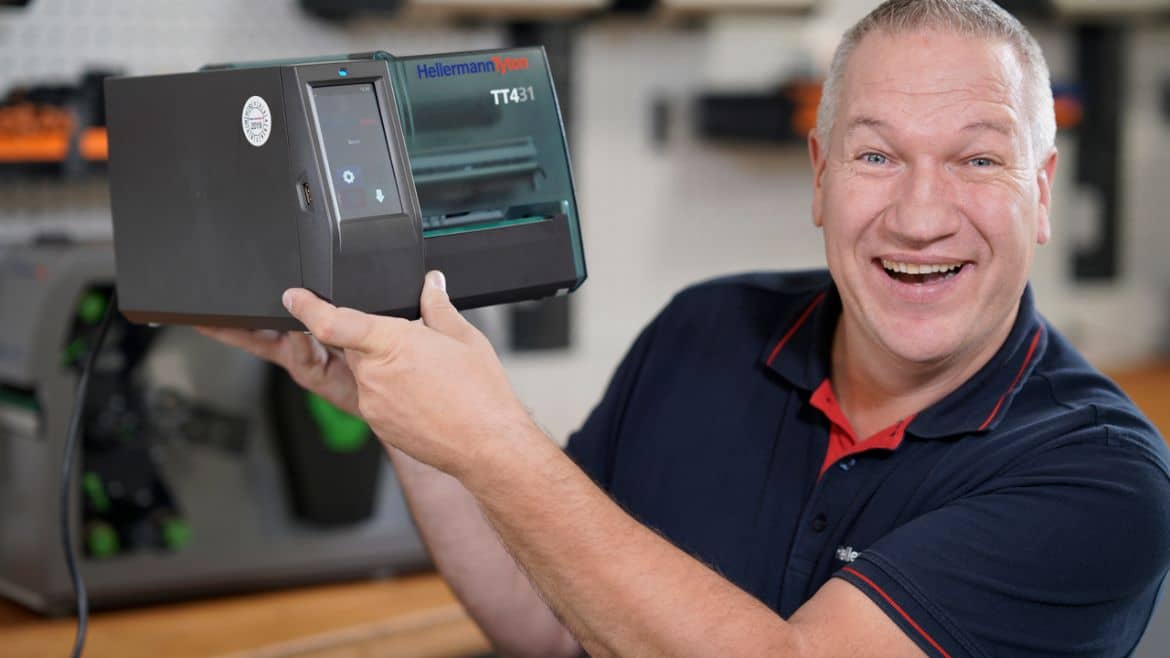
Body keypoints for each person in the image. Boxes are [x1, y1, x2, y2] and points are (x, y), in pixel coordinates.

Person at [200, 1, 1170, 655]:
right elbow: (550, 619)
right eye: (877, 156)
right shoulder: (707, 330)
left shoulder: (1103, 477)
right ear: (821, 179)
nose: (921, 215)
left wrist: (496, 442)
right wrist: (397, 396)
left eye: (977, 161)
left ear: (1041, 194)